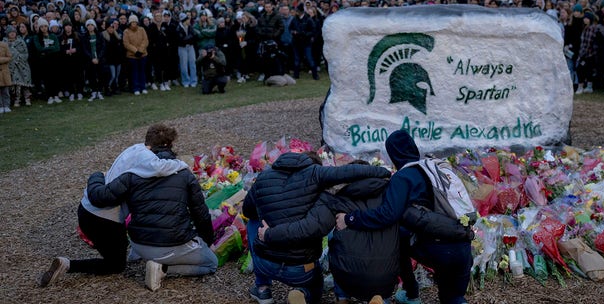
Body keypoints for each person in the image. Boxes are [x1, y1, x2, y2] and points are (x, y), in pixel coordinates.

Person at [37, 124, 190, 287]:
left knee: (116, 250)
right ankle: (68, 264)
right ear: (165, 145)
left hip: (86, 209)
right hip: (105, 220)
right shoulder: (147, 158)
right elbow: (160, 168)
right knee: (116, 265)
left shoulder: (134, 149)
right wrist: (183, 164)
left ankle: (130, 251)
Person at [336, 130, 474, 304]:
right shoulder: (434, 167)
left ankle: (411, 293)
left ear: (393, 154)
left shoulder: (403, 177)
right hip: (462, 243)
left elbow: (387, 215)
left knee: (397, 238)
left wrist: (350, 219)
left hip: (437, 247)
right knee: (453, 298)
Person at [242, 151, 391, 304]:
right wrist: (385, 172)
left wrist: (269, 225)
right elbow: (346, 172)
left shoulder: (264, 176)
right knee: (316, 285)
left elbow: (247, 211)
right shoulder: (316, 176)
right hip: (300, 269)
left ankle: (262, 288)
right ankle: (304, 292)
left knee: (253, 222)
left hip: (265, 262)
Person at [86, 124, 217, 291]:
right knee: (211, 263)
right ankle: (163, 269)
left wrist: (96, 175)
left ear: (147, 146)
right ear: (171, 145)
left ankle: (147, 260)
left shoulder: (133, 172)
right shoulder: (184, 174)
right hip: (174, 243)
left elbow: (100, 197)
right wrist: (207, 241)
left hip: (139, 244)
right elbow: (201, 214)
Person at [3, 25, 32, 107]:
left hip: (22, 65)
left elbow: (25, 53)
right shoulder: (4, 43)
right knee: (15, 84)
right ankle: (17, 99)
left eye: (13, 32)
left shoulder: (21, 41)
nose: (12, 34)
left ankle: (27, 98)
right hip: (10, 65)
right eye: (10, 32)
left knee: (24, 82)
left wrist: (18, 57)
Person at [123, 14, 149, 95]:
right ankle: (136, 88)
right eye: (132, 22)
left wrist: (140, 51)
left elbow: (145, 40)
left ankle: (143, 87)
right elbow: (126, 43)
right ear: (130, 23)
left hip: (143, 54)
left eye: (135, 22)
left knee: (142, 71)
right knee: (134, 72)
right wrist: (135, 51)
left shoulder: (142, 29)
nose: (134, 23)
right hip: (132, 56)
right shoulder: (126, 31)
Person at [59, 21, 84, 101]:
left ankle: (80, 92)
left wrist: (75, 49)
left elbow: (82, 47)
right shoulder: (61, 37)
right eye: (66, 26)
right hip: (67, 61)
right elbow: (60, 49)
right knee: (70, 77)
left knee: (79, 76)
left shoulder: (77, 35)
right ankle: (72, 92)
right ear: (64, 28)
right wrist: (65, 51)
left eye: (69, 26)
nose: (68, 27)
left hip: (77, 60)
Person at [82, 19, 106, 101]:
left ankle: (99, 91)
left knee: (101, 75)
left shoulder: (99, 35)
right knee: (92, 76)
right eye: (88, 25)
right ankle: (93, 91)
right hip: (90, 60)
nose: (90, 26)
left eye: (91, 25)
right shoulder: (85, 36)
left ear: (94, 26)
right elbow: (84, 49)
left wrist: (98, 58)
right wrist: (92, 58)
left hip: (99, 59)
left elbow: (103, 47)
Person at [176, 12, 198, 88]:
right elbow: (182, 40)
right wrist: (190, 37)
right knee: (184, 65)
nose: (189, 21)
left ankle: (193, 81)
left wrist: (189, 38)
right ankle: (185, 81)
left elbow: (195, 36)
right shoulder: (178, 28)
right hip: (182, 48)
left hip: (190, 47)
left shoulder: (190, 27)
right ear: (184, 20)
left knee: (193, 64)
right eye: (187, 19)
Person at [0, 39, 11, 113]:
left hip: (4, 71)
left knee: (5, 90)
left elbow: (9, 57)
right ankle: (0, 106)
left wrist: (1, 60)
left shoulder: (4, 45)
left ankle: (6, 105)